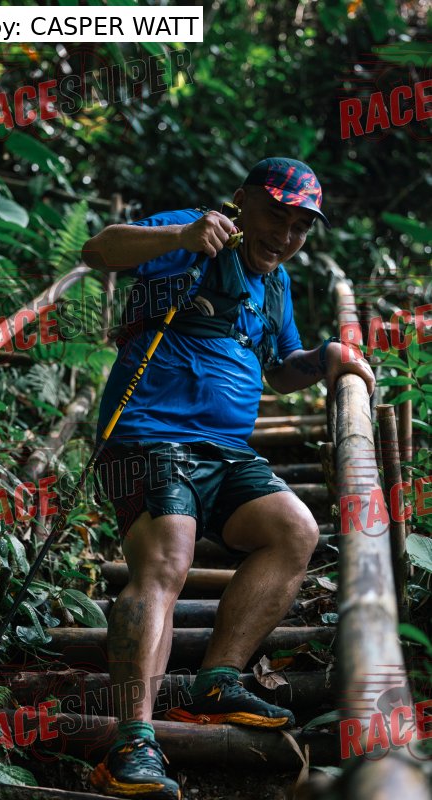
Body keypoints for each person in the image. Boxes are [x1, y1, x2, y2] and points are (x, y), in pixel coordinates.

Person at [81, 158, 375, 800]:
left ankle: (217, 681)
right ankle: (132, 742)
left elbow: (281, 368)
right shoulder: (196, 230)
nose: (285, 235)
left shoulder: (276, 283)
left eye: (301, 226)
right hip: (149, 436)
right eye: (275, 215)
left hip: (227, 452)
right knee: (169, 558)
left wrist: (327, 358)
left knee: (295, 530)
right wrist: (182, 237)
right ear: (242, 202)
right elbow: (99, 249)